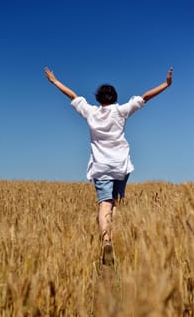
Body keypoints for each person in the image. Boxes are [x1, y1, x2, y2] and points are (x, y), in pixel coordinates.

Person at [44, 66, 173, 265]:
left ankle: (106, 240)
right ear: (115, 97)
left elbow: (72, 95)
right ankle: (116, 238)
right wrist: (166, 84)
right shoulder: (121, 111)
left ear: (98, 98)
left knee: (105, 203)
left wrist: (54, 81)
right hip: (121, 165)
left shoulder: (91, 113)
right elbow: (145, 97)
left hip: (101, 165)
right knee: (117, 202)